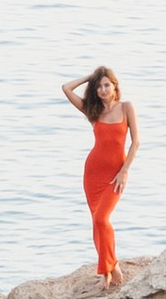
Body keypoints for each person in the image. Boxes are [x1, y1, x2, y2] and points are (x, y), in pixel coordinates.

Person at [59, 66, 139, 284]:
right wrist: (90, 77)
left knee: (102, 219)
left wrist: (124, 171)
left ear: (114, 85)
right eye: (99, 86)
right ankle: (107, 271)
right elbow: (66, 88)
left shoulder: (126, 107)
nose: (103, 90)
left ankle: (111, 265)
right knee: (97, 221)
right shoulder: (93, 111)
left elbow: (136, 143)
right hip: (93, 173)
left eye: (106, 85)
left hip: (116, 174)